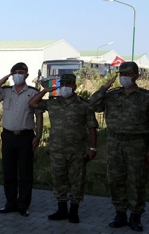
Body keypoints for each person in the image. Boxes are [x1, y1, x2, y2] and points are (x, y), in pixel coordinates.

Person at [89, 61, 149, 231]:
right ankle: (120, 213)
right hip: (114, 142)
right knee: (115, 179)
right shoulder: (111, 95)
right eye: (122, 74)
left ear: (136, 76)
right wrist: (104, 87)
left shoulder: (146, 97)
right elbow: (92, 105)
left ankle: (135, 216)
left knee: (136, 181)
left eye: (128, 75)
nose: (124, 78)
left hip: (137, 144)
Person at [29, 73, 98, 223]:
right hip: (57, 149)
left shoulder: (84, 105)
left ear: (74, 86)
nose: (65, 87)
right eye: (63, 84)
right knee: (58, 180)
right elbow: (33, 103)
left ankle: (74, 210)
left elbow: (92, 127)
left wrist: (92, 148)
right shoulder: (53, 102)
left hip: (77, 151)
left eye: (68, 84)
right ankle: (62, 209)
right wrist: (45, 91)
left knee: (77, 180)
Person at [0, 62, 43, 217]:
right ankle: (10, 202)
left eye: (21, 72)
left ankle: (23, 204)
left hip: (26, 136)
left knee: (25, 172)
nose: (18, 74)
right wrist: (0, 82)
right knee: (9, 171)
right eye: (15, 72)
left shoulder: (33, 92)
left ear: (26, 74)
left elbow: (39, 116)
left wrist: (38, 136)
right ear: (11, 74)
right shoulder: (5, 91)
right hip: (8, 136)